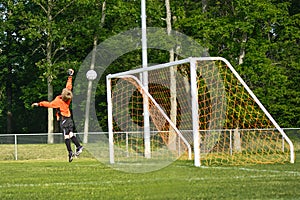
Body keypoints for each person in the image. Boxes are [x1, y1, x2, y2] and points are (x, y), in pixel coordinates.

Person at [32, 69, 83, 162]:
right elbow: (69, 87)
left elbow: (48, 104)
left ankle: (70, 152)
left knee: (66, 137)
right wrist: (70, 76)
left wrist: (38, 104)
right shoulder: (68, 99)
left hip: (63, 120)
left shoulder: (58, 101)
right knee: (71, 134)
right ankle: (78, 147)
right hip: (69, 118)